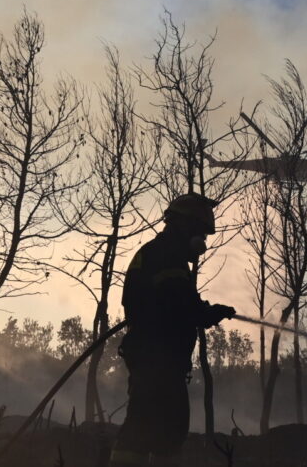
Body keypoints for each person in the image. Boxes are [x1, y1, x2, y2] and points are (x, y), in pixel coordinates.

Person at [110, 193, 236, 467]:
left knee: (156, 431)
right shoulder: (166, 257)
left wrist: (206, 310)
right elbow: (178, 304)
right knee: (154, 431)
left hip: (154, 359)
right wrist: (209, 313)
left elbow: (176, 301)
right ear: (184, 227)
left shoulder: (159, 255)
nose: (202, 243)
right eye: (200, 234)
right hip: (158, 361)